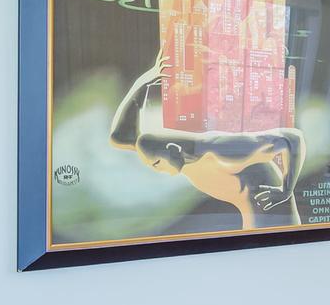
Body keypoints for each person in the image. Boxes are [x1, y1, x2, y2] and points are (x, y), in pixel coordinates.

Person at [108, 55, 306, 229]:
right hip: (250, 215)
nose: (156, 169)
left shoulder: (221, 152)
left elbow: (293, 138)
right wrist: (144, 81)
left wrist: (286, 190)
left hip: (269, 212)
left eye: (157, 164)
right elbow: (119, 137)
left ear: (173, 149)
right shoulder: (170, 155)